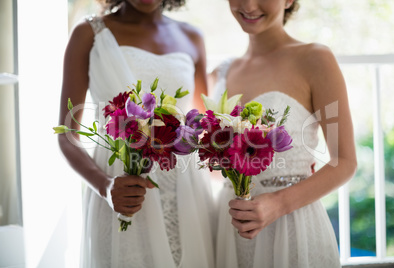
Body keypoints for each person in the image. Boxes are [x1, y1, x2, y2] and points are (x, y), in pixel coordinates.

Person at [57, 0, 214, 267]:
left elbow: (204, 126)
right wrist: (105, 186)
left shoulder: (192, 36)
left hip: (187, 194)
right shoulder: (88, 34)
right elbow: (67, 134)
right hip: (120, 193)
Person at [209, 0, 357, 267]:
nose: (249, 5)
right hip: (229, 225)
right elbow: (209, 165)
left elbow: (344, 162)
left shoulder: (316, 59)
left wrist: (278, 204)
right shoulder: (220, 73)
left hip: (293, 226)